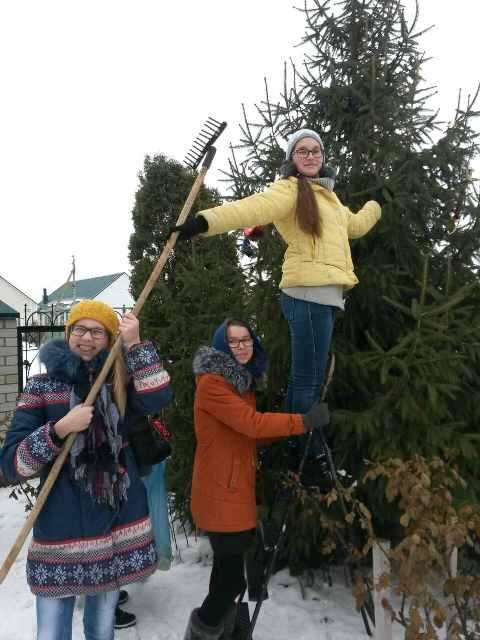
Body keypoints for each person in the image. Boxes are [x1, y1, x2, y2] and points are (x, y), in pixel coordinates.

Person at [173, 128, 386, 464]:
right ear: (292, 158)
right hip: (308, 294)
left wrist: (377, 203)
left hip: (324, 296)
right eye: (303, 151)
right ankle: (304, 452)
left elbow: (356, 226)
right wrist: (203, 222)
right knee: (306, 382)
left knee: (309, 379)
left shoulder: (329, 198)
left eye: (316, 150)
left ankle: (296, 444)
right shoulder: (288, 190)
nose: (310, 156)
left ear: (323, 157)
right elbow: (251, 209)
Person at [0, 300, 172, 640]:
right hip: (61, 528)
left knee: (102, 627)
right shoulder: (42, 386)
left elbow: (158, 397)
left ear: (109, 339)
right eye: (79, 329)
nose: (87, 338)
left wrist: (135, 344)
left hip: (113, 525)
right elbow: (12, 463)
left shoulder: (120, 382)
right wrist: (59, 429)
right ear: (68, 334)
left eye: (97, 331)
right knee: (51, 630)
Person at [183, 318, 329, 640]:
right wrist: (301, 421)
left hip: (233, 490)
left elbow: (247, 433)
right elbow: (252, 423)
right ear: (221, 347)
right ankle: (201, 632)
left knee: (225, 573)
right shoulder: (213, 384)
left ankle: (224, 631)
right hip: (220, 494)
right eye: (233, 341)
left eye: (246, 340)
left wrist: (289, 426)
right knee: (232, 580)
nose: (241, 346)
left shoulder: (240, 383)